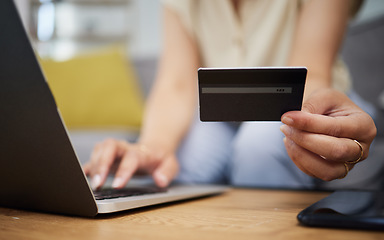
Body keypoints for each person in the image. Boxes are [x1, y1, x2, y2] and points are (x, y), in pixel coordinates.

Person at [83, 0, 378, 190]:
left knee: (260, 145)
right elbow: (176, 83)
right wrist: (151, 147)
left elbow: (311, 73)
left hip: (310, 97)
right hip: (224, 114)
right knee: (186, 156)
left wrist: (309, 118)